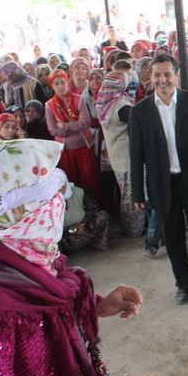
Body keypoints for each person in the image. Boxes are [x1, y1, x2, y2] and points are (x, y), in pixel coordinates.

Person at [0, 139, 162, 376]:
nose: (57, 206)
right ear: (14, 213)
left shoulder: (13, 251)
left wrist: (93, 304)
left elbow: (40, 309)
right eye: (46, 197)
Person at [129, 53, 188, 306]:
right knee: (173, 236)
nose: (162, 80)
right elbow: (136, 156)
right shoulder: (140, 112)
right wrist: (137, 193)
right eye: (157, 75)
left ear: (176, 75)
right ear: (150, 77)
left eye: (167, 74)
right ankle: (184, 285)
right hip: (162, 184)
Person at [96, 70, 145, 238]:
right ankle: (135, 229)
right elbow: (137, 126)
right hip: (128, 155)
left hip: (116, 155)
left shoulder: (103, 103)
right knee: (133, 194)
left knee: (125, 193)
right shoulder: (121, 105)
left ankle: (129, 227)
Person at [45, 69, 102, 205]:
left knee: (90, 181)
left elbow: (86, 123)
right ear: (52, 86)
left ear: (68, 82)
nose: (61, 86)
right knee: (72, 182)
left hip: (84, 148)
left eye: (63, 82)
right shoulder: (49, 105)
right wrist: (75, 125)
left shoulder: (79, 99)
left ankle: (95, 209)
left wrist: (64, 126)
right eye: (57, 83)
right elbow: (52, 130)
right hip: (66, 151)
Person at [59, 173, 110, 252]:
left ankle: (97, 242)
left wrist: (83, 224)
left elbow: (93, 208)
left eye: (63, 184)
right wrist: (71, 229)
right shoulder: (48, 202)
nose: (61, 187)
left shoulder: (78, 192)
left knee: (102, 215)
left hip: (85, 227)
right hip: (68, 235)